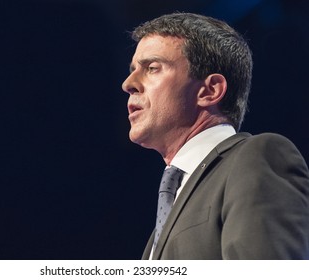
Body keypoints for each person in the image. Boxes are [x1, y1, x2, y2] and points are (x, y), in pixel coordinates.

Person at [121, 12, 309, 260]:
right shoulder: (173, 199)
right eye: (133, 70)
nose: (128, 83)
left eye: (152, 68)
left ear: (210, 91)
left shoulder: (256, 158)